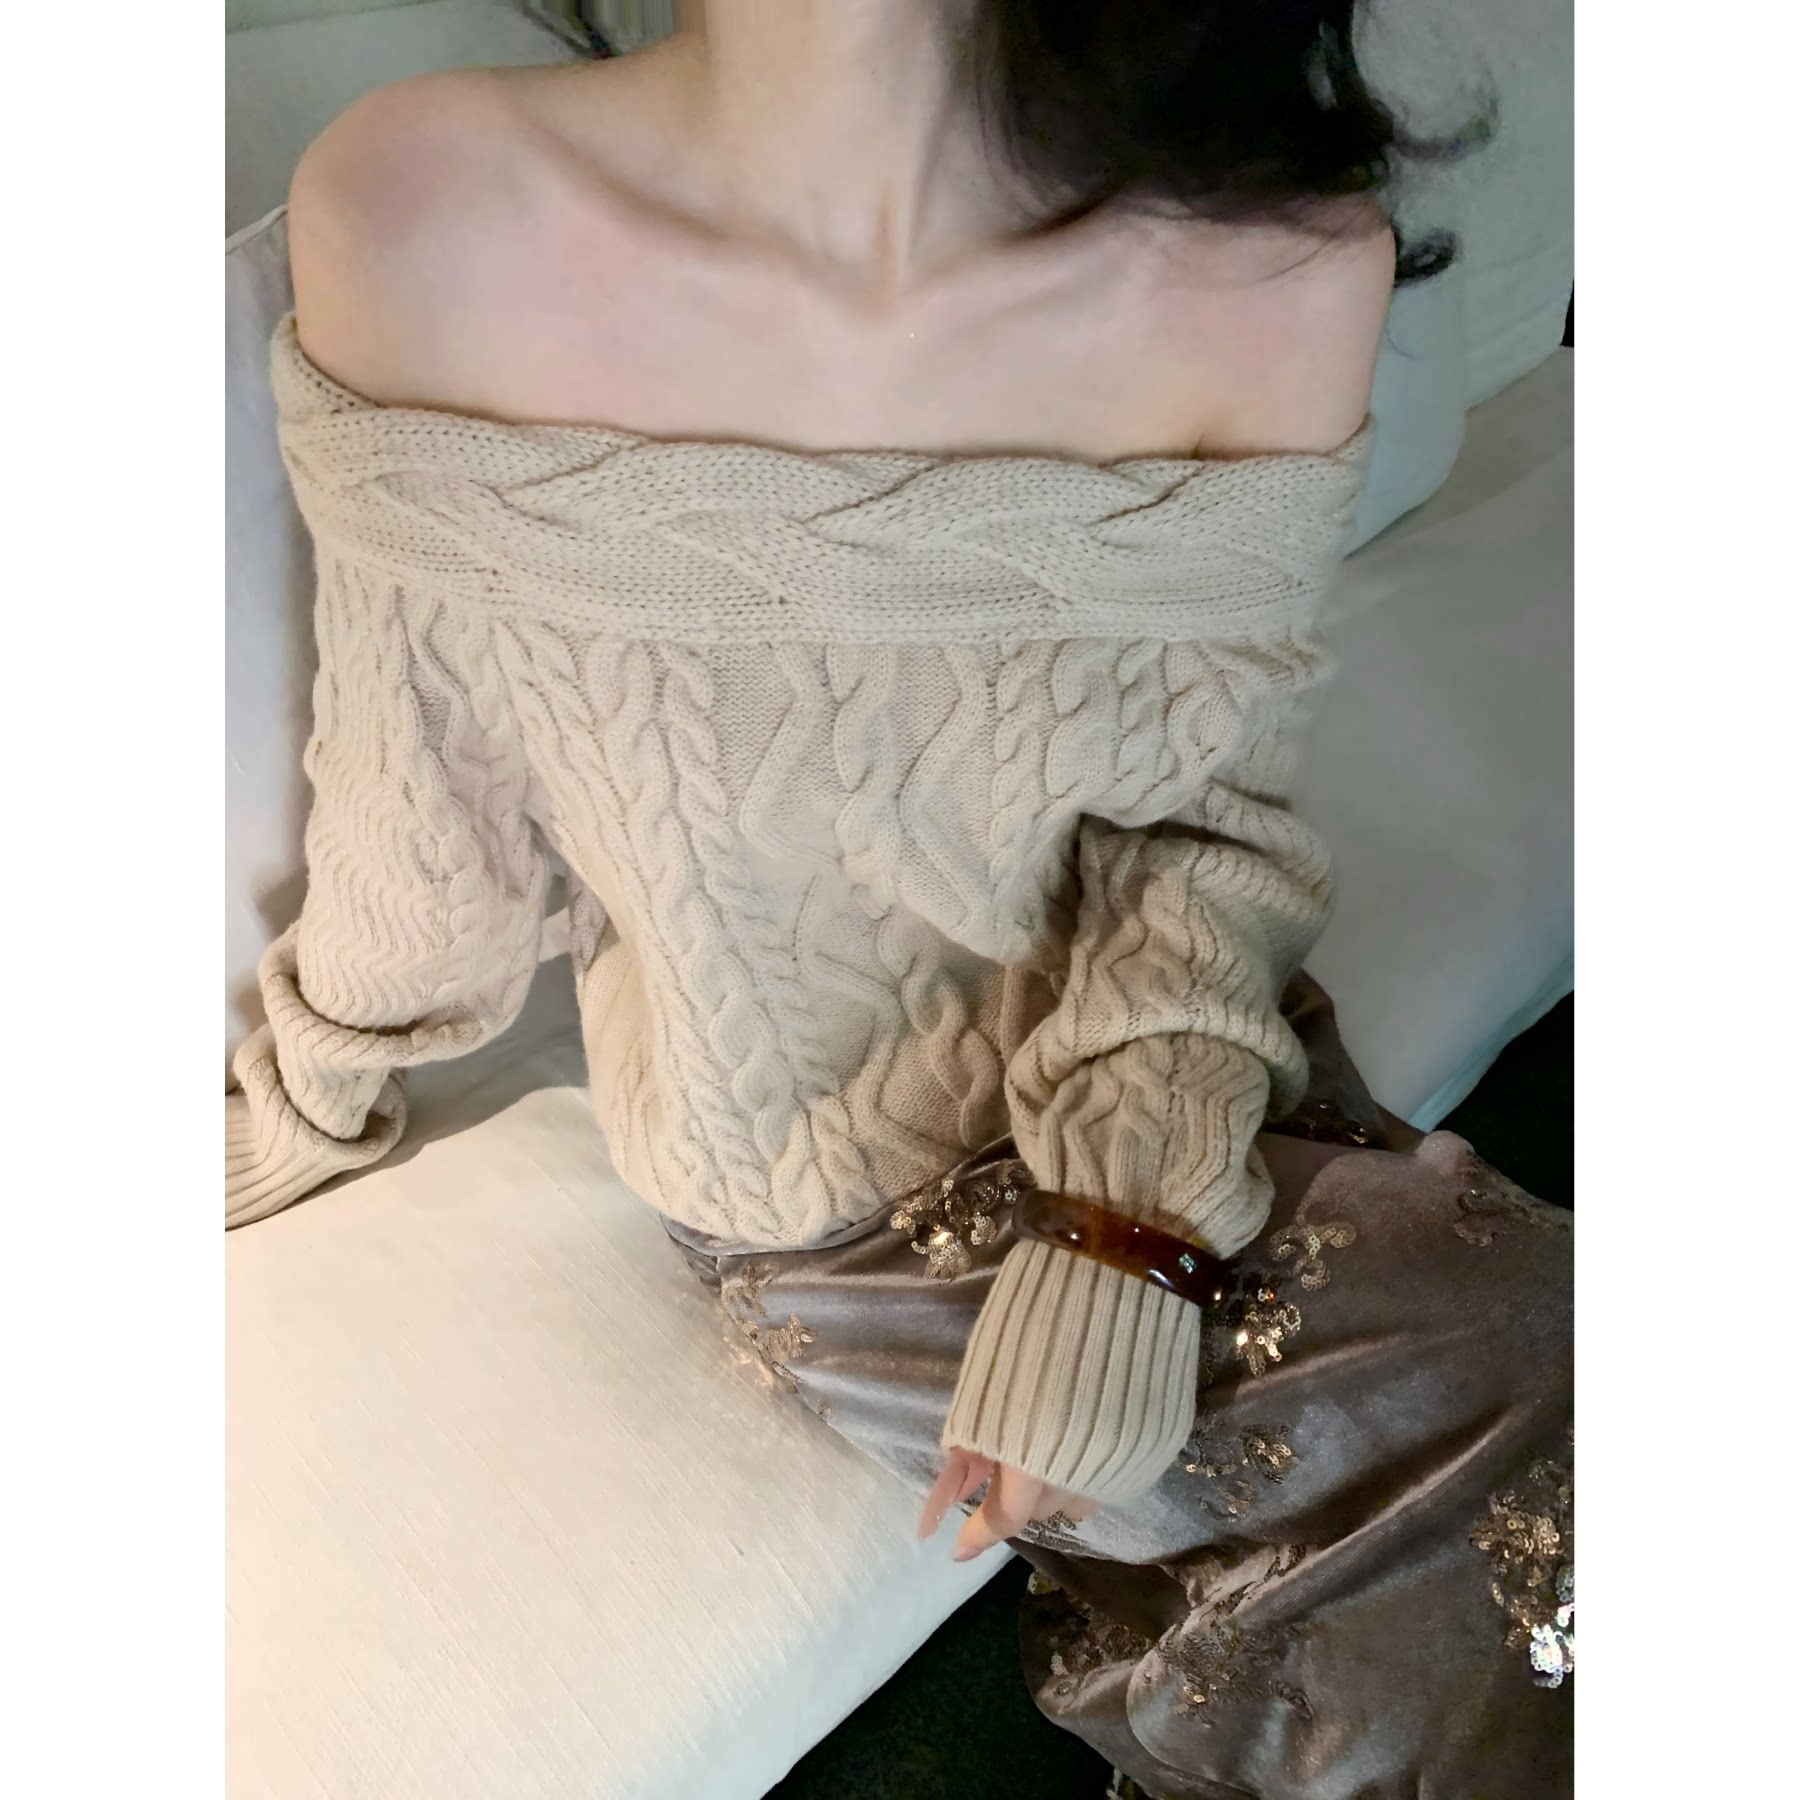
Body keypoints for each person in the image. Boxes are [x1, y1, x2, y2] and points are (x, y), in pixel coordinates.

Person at [225, 4, 1573, 1794]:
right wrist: (296, 1101)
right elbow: (426, 812)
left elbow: (1202, 829)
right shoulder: (422, 204)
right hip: (842, 1217)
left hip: (1183, 1083)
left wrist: (1127, 1232)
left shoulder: (1277, 260)